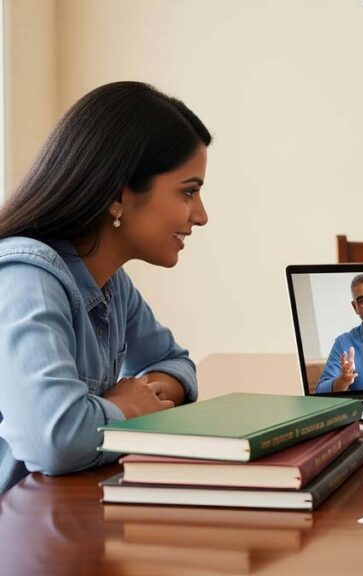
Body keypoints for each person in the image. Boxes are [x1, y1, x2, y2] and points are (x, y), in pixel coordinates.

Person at [0, 81, 211, 492]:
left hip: (58, 514)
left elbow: (177, 365)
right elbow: (55, 441)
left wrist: (133, 400)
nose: (201, 216)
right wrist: (121, 407)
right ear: (119, 194)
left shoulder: (111, 282)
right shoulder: (27, 278)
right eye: (188, 192)